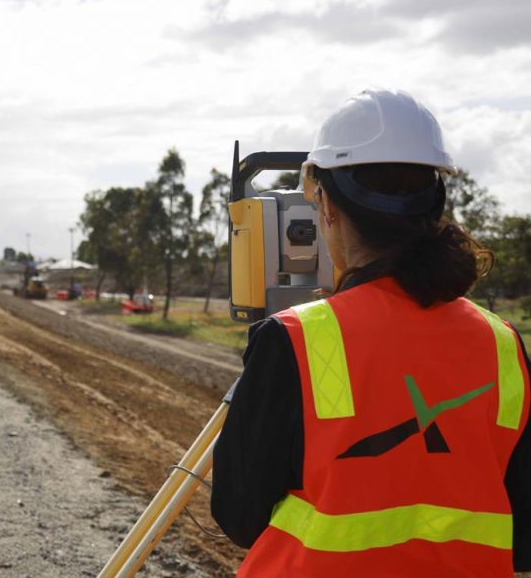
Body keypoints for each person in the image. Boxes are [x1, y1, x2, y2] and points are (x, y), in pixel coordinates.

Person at [211, 89, 531, 576]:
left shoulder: (294, 340)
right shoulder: (502, 344)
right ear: (436, 199)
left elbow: (238, 514)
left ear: (327, 205)